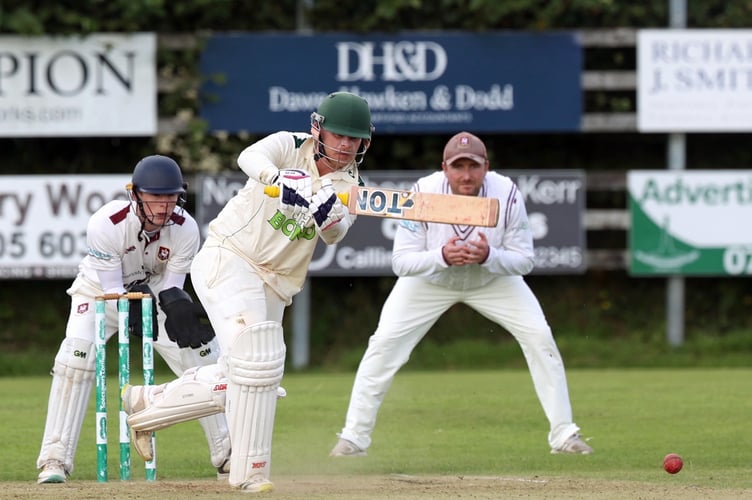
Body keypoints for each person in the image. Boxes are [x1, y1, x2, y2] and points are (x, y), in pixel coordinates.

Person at [120, 91, 374, 493]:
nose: (344, 145)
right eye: (338, 134)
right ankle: (248, 472)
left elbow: (336, 234)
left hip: (276, 284)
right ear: (318, 130)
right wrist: (279, 178)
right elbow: (249, 157)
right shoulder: (289, 146)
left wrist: (327, 215)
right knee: (255, 363)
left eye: (353, 138)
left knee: (252, 375)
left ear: (364, 141)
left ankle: (149, 403)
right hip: (231, 258)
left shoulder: (351, 183)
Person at [329, 131, 593, 458]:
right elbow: (402, 262)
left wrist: (489, 256)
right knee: (383, 345)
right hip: (431, 280)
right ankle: (353, 439)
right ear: (444, 168)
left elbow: (524, 260)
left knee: (540, 337)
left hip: (491, 279)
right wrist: (441, 256)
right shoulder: (424, 191)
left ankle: (565, 434)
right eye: (458, 167)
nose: (466, 175)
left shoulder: (507, 193)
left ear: (486, 167)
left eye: (473, 166)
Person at [36, 155, 229, 484]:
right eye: (155, 196)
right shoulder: (106, 223)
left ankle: (227, 453)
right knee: (75, 359)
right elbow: (113, 287)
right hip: (99, 292)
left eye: (171, 196)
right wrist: (135, 303)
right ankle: (54, 458)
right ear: (136, 194)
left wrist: (178, 306)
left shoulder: (186, 228)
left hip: (153, 293)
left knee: (201, 356)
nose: (164, 205)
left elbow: (172, 286)